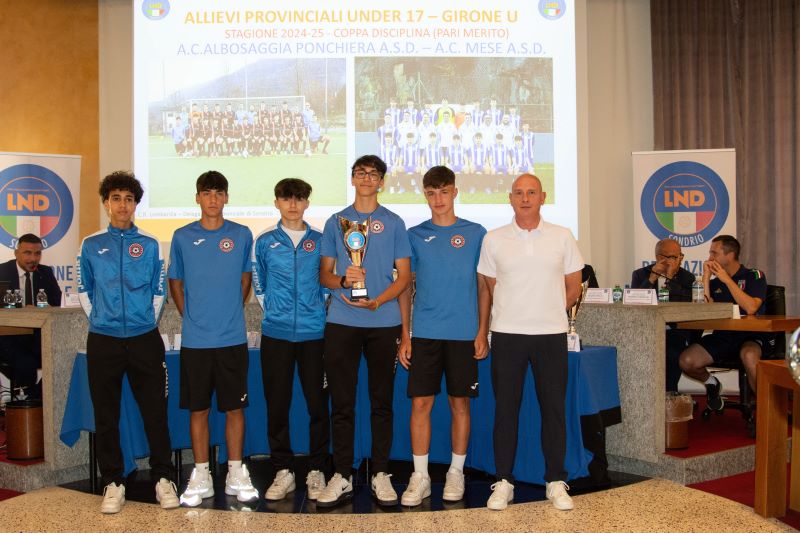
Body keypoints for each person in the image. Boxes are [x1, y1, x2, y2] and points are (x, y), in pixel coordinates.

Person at [477, 173, 583, 511]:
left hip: (550, 334)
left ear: (543, 197)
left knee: (553, 410)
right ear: (510, 198)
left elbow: (574, 286)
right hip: (507, 334)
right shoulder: (493, 239)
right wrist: (515, 310)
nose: (525, 198)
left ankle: (555, 481)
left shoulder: (562, 236)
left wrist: (546, 310)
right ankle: (503, 482)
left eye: (531, 192)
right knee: (505, 410)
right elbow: (489, 285)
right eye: (519, 193)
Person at [76, 171, 177, 514]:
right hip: (103, 340)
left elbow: (158, 290)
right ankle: (113, 482)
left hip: (144, 338)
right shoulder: (91, 244)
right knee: (106, 416)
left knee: (155, 413)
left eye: (129, 199)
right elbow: (84, 289)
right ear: (106, 203)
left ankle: (163, 478)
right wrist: (101, 320)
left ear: (135, 205)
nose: (123, 205)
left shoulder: (150, 244)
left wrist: (142, 322)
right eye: (116, 198)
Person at [315, 155, 412, 508]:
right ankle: (342, 474)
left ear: (381, 181)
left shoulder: (394, 222)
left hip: (382, 322)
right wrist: (343, 280)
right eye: (361, 173)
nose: (367, 179)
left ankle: (381, 473)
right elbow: (324, 275)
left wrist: (378, 301)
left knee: (381, 402)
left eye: (373, 174)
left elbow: (405, 277)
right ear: (353, 178)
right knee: (342, 403)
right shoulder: (335, 222)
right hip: (342, 322)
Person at [398, 166, 488, 506]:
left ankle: (455, 472)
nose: (438, 199)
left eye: (444, 192)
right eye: (431, 193)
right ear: (425, 195)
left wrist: (482, 330)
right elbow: (404, 287)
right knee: (420, 404)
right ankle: (420, 476)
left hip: (463, 334)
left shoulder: (476, 233)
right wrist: (405, 334)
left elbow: (483, 285)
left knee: (459, 404)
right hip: (425, 333)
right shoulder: (414, 235)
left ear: (454, 192)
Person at [168, 171, 257, 507]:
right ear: (197, 198)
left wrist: (230, 310)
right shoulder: (182, 236)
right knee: (199, 409)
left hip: (232, 338)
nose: (213, 199)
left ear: (226, 197)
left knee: (235, 408)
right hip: (196, 342)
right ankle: (202, 474)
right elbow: (176, 282)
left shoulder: (241, 234)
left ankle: (235, 472)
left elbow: (246, 279)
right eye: (207, 193)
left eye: (219, 193)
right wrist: (190, 315)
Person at [251, 178, 330, 502]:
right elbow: (259, 283)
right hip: (277, 334)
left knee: (317, 406)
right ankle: (282, 470)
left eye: (299, 198)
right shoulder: (264, 241)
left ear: (307, 203)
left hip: (314, 335)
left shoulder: (321, 240)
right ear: (277, 203)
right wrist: (275, 311)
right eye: (286, 198)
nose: (293, 204)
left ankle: (316, 470)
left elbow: (327, 282)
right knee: (277, 404)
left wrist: (317, 310)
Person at [678, 235, 770, 405]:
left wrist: (727, 280)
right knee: (687, 360)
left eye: (714, 253)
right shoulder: (715, 283)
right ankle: (712, 383)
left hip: (750, 336)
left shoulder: (754, 275)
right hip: (724, 336)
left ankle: (766, 408)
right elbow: (704, 310)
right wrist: (706, 278)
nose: (710, 257)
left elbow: (751, 307)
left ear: (730, 255)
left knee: (749, 356)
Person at [0, 233, 62, 398]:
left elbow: (58, 302)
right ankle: (26, 401)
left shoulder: (45, 272)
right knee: (26, 363)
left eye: (37, 253)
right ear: (16, 253)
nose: (33, 259)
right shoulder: (2, 271)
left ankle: (33, 398)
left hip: (37, 336)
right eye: (27, 253)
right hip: (8, 338)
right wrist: (21, 309)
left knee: (61, 355)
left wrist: (48, 308)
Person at [631, 238, 697, 391]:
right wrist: (652, 279)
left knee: (671, 353)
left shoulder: (687, 277)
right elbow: (634, 303)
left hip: (675, 330)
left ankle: (669, 394)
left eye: (679, 256)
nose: (678, 260)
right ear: (659, 257)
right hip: (648, 329)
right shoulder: (640, 274)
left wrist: (670, 278)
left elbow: (684, 304)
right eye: (673, 257)